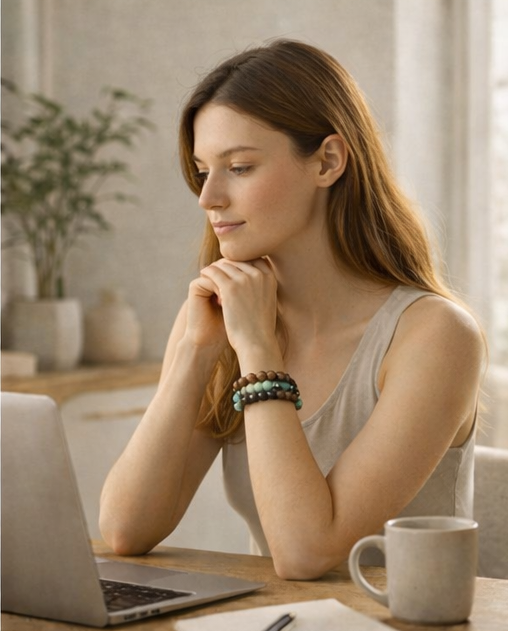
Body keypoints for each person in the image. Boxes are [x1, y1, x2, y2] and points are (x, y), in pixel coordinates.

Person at [99, 39, 485, 579]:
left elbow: (308, 553)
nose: (208, 197)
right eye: (202, 169)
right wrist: (194, 351)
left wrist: (258, 352)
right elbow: (125, 528)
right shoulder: (223, 318)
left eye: (239, 167)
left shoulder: (436, 336)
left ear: (327, 160)